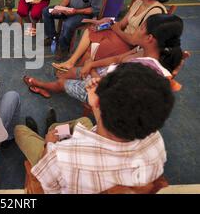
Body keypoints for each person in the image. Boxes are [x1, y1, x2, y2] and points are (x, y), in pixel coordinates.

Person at [16, 62, 175, 193]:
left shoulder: (59, 156)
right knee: (84, 121)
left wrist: (48, 145)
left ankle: (46, 134)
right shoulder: (156, 140)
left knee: (21, 131)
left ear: (97, 102)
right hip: (93, 150)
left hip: (58, 158)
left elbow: (47, 186)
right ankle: (53, 128)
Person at [23, 14, 184, 101]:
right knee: (69, 72)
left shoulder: (140, 71)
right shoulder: (146, 50)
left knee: (64, 81)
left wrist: (91, 70)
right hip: (102, 74)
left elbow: (105, 89)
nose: (138, 29)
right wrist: (92, 64)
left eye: (142, 27)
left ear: (150, 38)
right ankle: (56, 85)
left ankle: (44, 86)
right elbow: (119, 59)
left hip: (101, 93)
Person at [53, 0, 175, 71]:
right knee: (91, 30)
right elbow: (122, 23)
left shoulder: (155, 11)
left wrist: (115, 28)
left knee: (96, 47)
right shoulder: (139, 2)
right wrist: (109, 23)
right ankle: (72, 62)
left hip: (133, 46)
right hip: (122, 35)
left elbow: (135, 40)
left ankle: (81, 71)